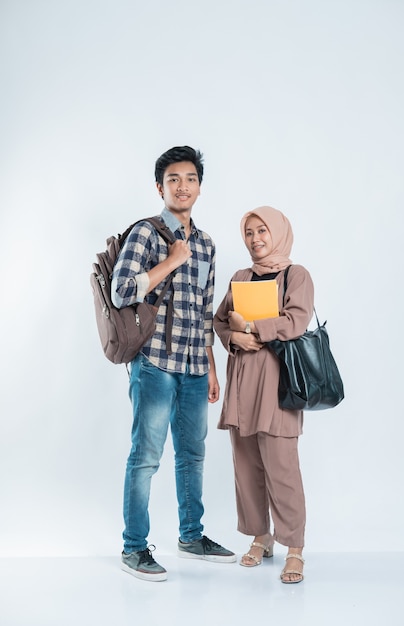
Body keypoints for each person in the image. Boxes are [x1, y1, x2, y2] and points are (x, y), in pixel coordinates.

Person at [111, 146, 236, 582]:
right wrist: (170, 261)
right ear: (160, 187)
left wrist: (212, 368)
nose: (183, 186)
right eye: (174, 179)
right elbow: (121, 290)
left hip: (194, 368)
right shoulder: (145, 234)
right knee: (146, 457)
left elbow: (204, 312)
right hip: (154, 364)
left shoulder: (207, 244)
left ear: (200, 187)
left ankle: (191, 536)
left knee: (193, 456)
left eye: (191, 179)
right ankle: (134, 548)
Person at [213, 206, 314, 584]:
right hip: (243, 384)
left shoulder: (295, 275)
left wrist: (252, 325)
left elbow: (296, 320)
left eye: (262, 232)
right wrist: (234, 336)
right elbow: (221, 321)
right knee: (247, 467)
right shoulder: (241, 277)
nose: (256, 240)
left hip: (278, 387)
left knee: (283, 469)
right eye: (249, 233)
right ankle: (261, 536)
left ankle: (295, 548)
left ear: (278, 233)